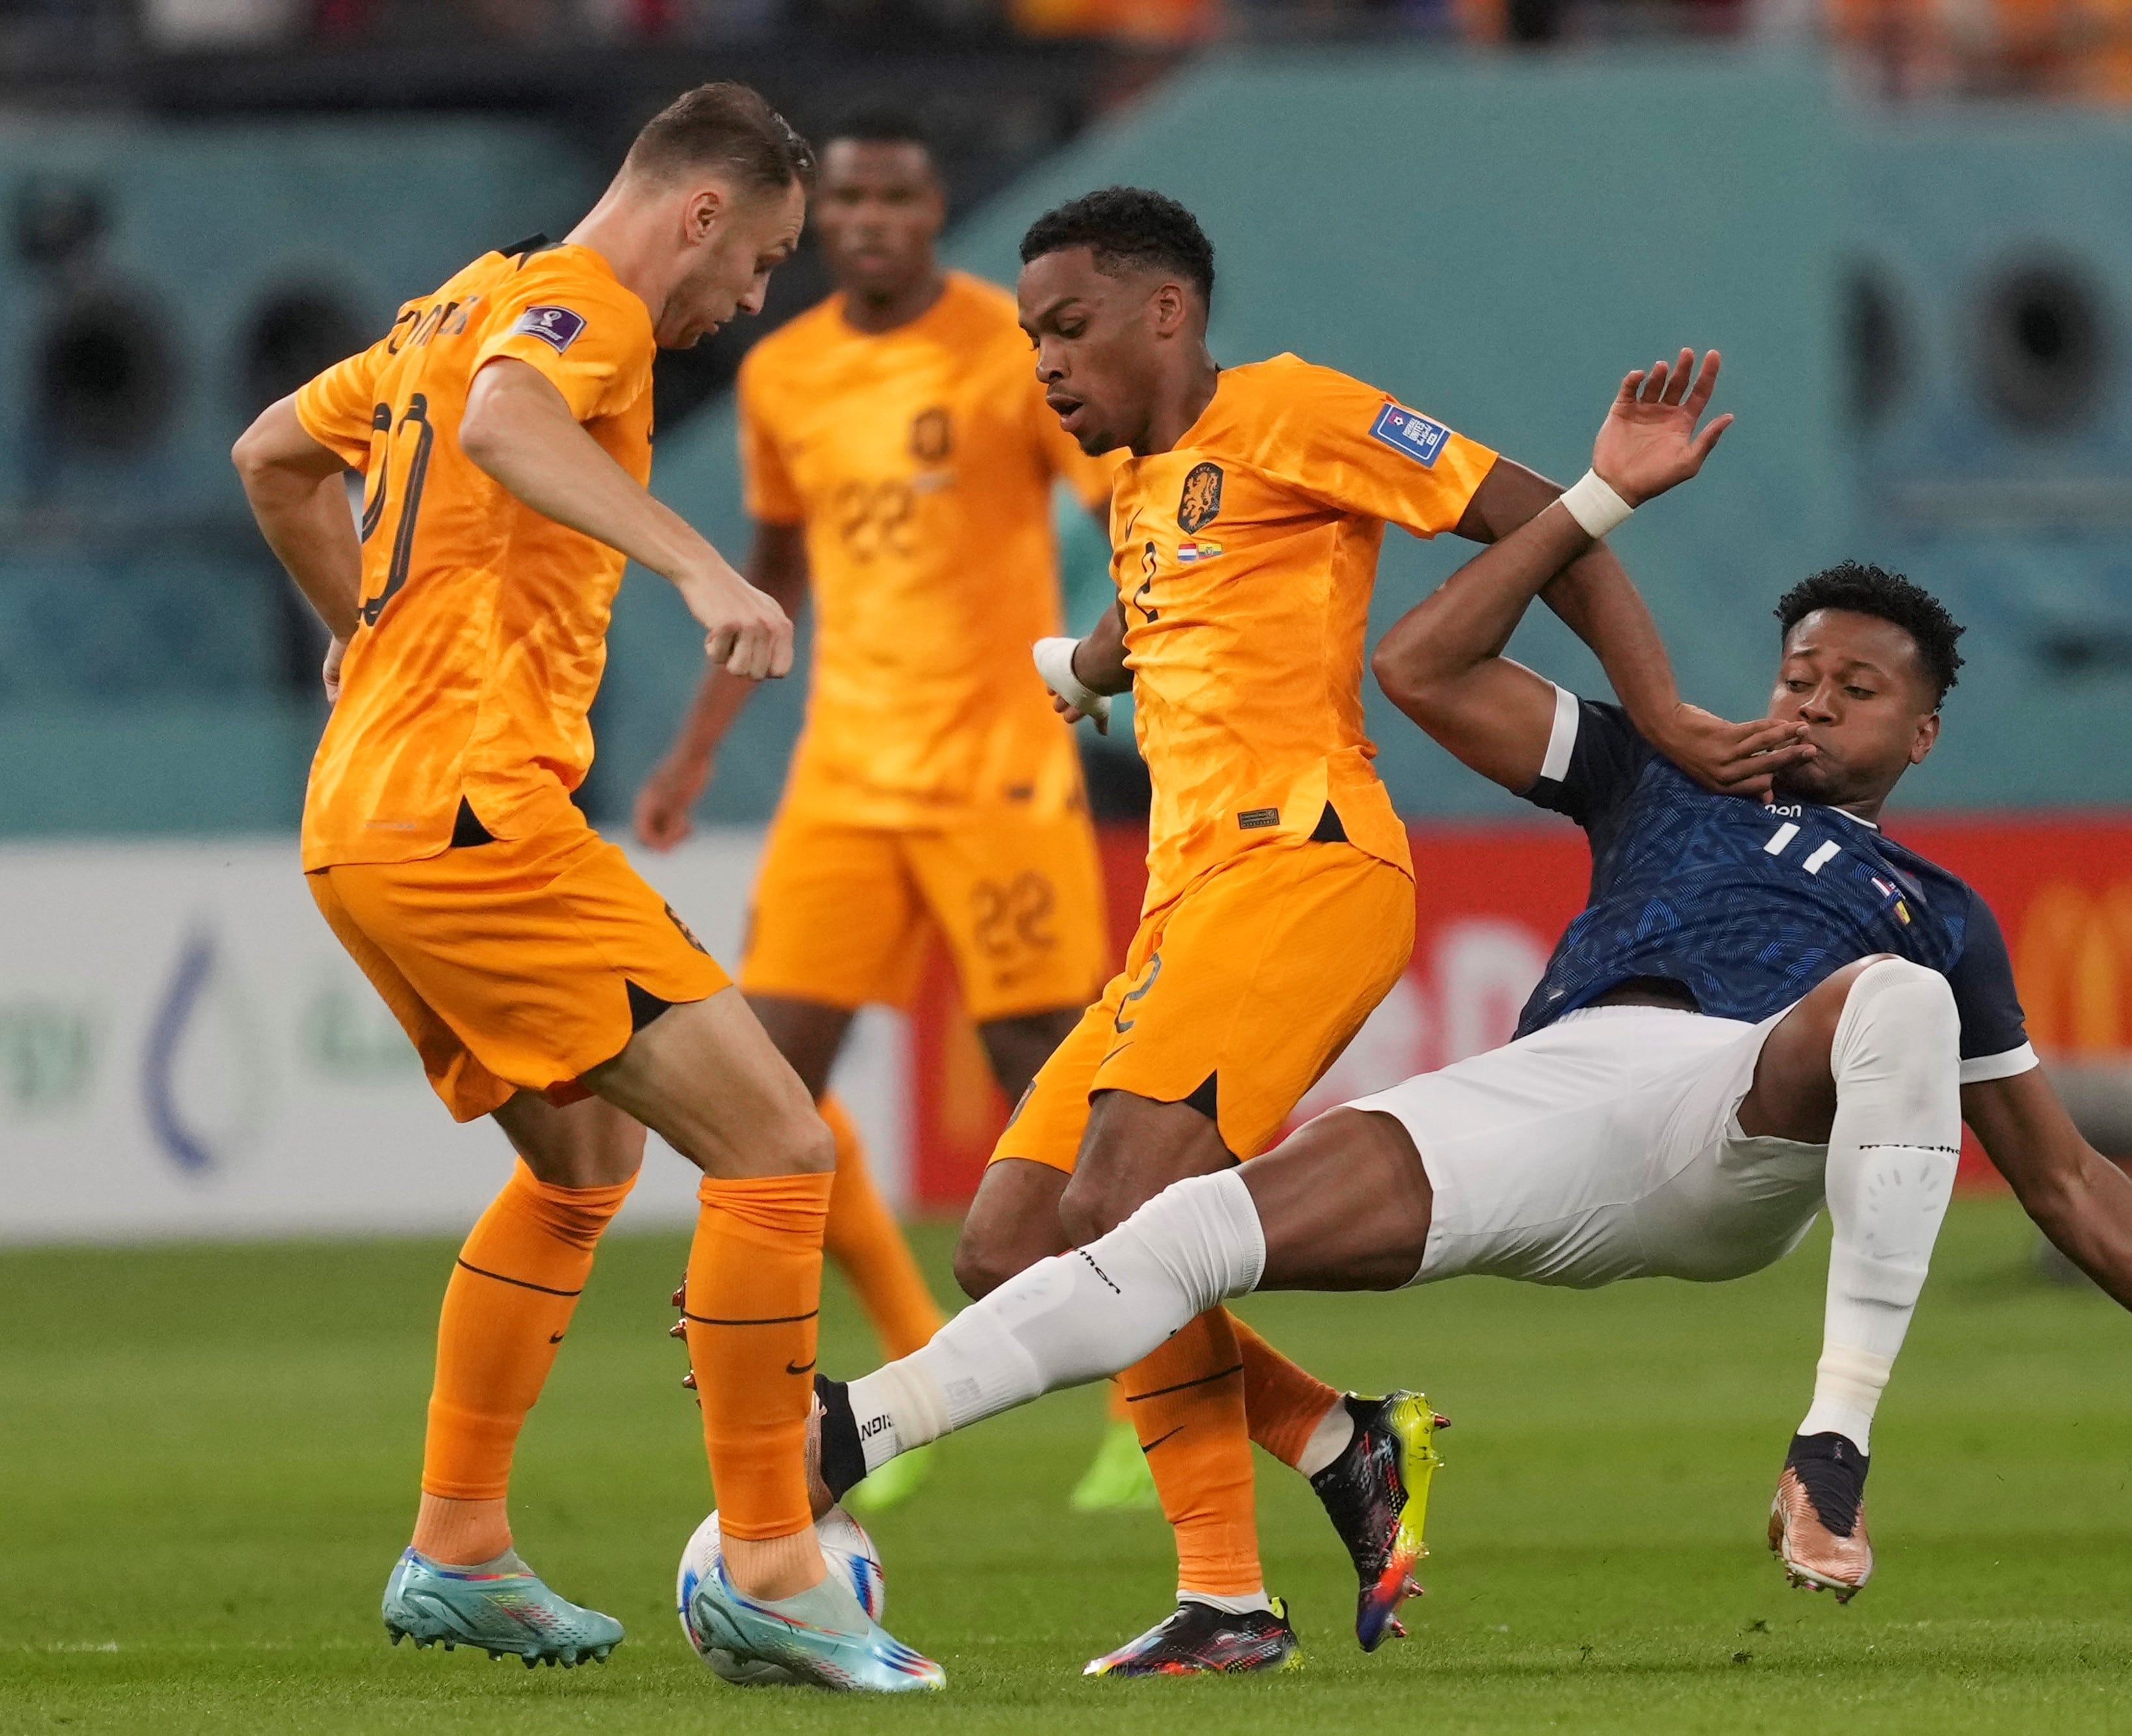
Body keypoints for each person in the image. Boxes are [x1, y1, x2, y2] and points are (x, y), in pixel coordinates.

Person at [799, 348, 2132, 1640]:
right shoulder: (1667, 771)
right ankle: (841, 1440)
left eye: (1857, 690)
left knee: (1895, 1004)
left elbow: (2068, 1180)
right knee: (1176, 1231)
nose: (1814, 699)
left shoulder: (1929, 905)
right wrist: (1595, 497)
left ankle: (1829, 1452)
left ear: (1916, 739)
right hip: (1564, 1097)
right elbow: (1422, 665)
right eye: (1799, 667)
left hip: (1743, 1130)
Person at [932, 189, 1774, 1676]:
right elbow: (1177, 615)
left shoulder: (1294, 410)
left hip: (1302, 865)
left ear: (1166, 314)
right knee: (1010, 1247)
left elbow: (1532, 512)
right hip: (1181, 904)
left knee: (1117, 1221)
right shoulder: (1140, 485)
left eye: (1067, 328)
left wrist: (1655, 713)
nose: (1044, 365)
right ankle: (1341, 1441)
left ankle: (1228, 1600)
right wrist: (1083, 662)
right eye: (1028, 338)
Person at [231, 84, 939, 1693]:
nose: (748, 303)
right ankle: (773, 1558)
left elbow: (273, 455)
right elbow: (502, 425)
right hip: (476, 816)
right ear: (700, 214)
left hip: (364, 815)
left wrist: (359, 630)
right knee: (775, 1143)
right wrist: (699, 563)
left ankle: (460, 1545)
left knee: (583, 1162)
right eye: (758, 263)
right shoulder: (580, 309)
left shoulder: (451, 302)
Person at [629, 113, 1152, 1516]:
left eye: (893, 195)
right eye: (845, 196)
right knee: (761, 1089)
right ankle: (899, 1363)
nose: (865, 217)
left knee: (1043, 1083)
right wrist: (690, 756)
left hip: (995, 771)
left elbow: (1120, 494)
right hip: (844, 779)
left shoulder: (1009, 342)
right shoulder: (785, 371)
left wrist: (1123, 641)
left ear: (931, 211)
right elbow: (773, 571)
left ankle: (1145, 1398)